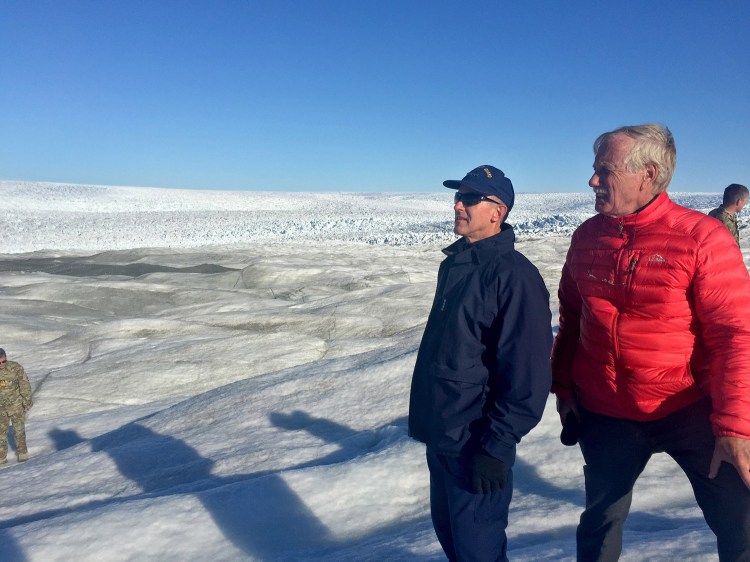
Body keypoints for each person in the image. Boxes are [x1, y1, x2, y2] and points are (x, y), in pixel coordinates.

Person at [551, 124, 750, 561]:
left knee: (739, 521)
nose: (592, 181)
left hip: (689, 408)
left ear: (648, 173)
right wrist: (563, 387)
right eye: (594, 169)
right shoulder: (587, 237)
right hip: (605, 412)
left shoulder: (702, 238)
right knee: (601, 522)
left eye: (604, 170)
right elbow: (572, 317)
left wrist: (735, 425)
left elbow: (735, 334)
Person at [409, 165, 552, 561]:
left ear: (497, 211)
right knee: (455, 545)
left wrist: (496, 446)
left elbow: (528, 376)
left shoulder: (515, 277)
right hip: (444, 435)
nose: (458, 204)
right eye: (458, 196)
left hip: (476, 444)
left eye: (470, 198)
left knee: (479, 552)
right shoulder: (456, 266)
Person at [0, 348, 33, 464]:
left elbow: (24, 385)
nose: (1, 364)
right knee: (0, 433)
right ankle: (1, 458)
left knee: (19, 431)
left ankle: (23, 455)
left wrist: (27, 401)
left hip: (16, 405)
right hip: (1, 408)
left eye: (3, 361)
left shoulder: (15, 368)